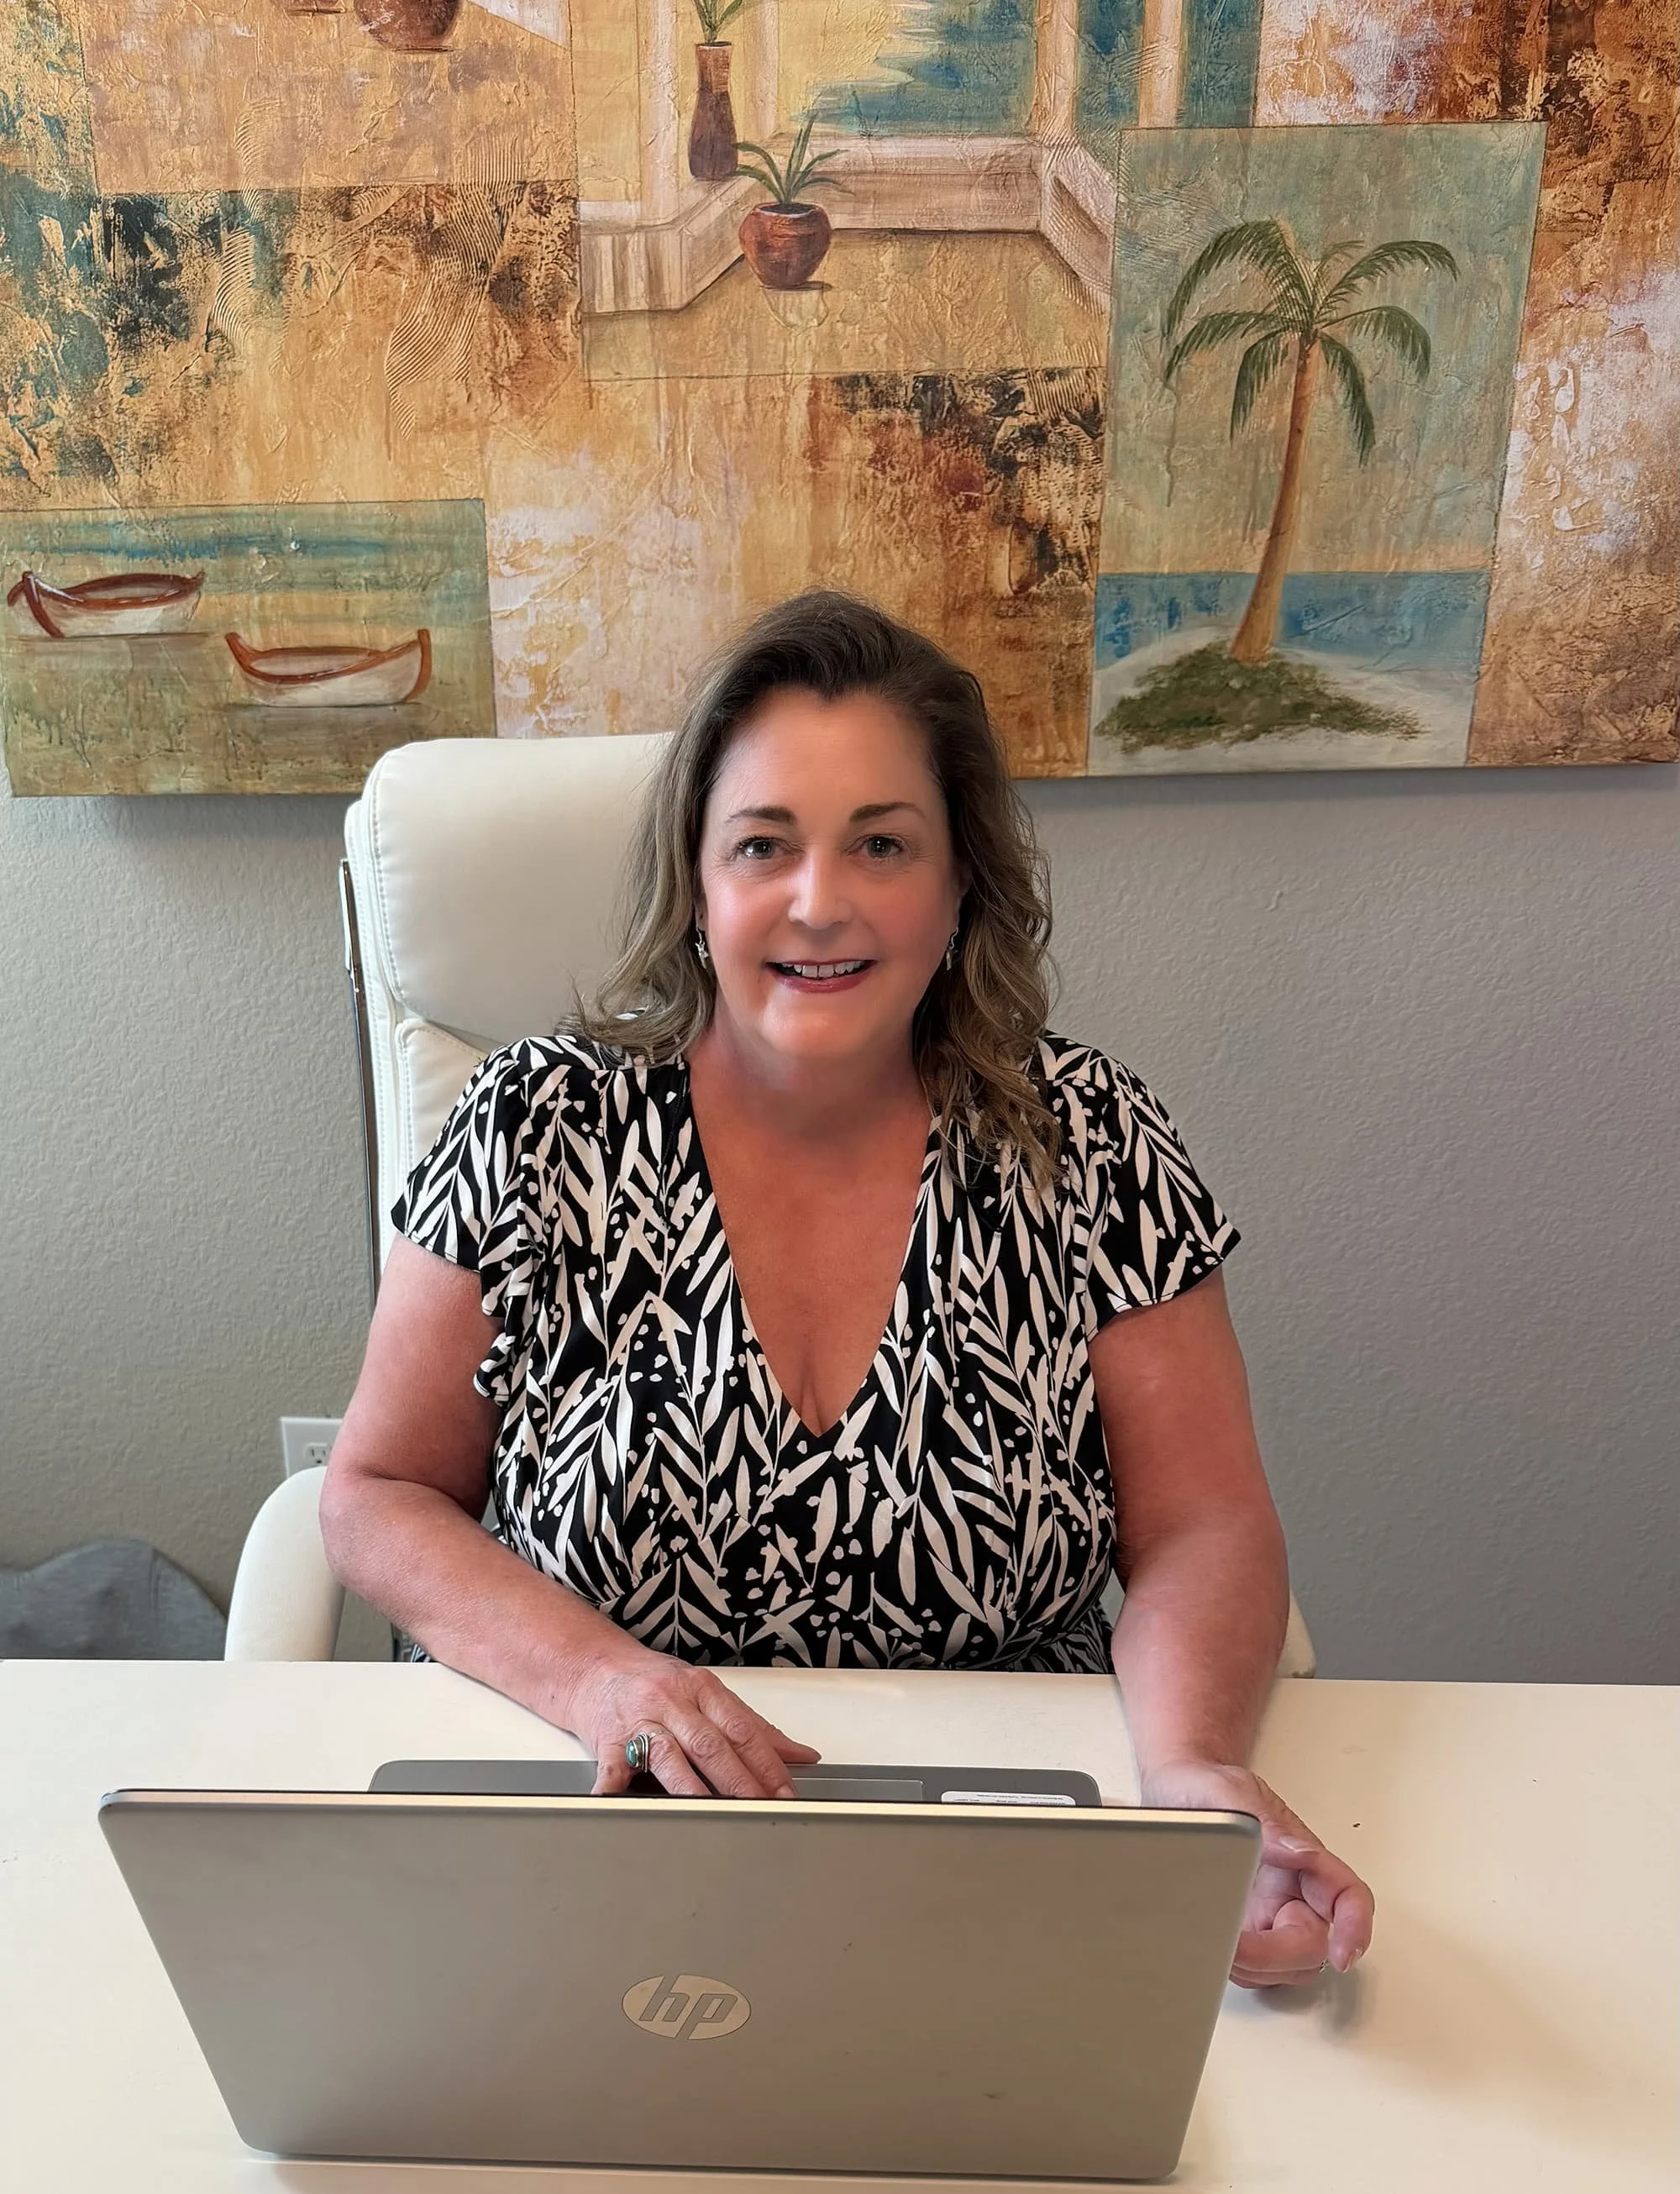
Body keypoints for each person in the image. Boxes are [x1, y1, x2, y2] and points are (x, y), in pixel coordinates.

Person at [323, 590, 1374, 1990]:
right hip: (589, 1833)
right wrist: (600, 1682)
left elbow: (1203, 1527)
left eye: (882, 844)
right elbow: (378, 1494)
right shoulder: (537, 1127)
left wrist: (1188, 1775)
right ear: (698, 885)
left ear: (957, 890)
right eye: (764, 846)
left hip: (994, 1859)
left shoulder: (1091, 1139)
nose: (820, 900)